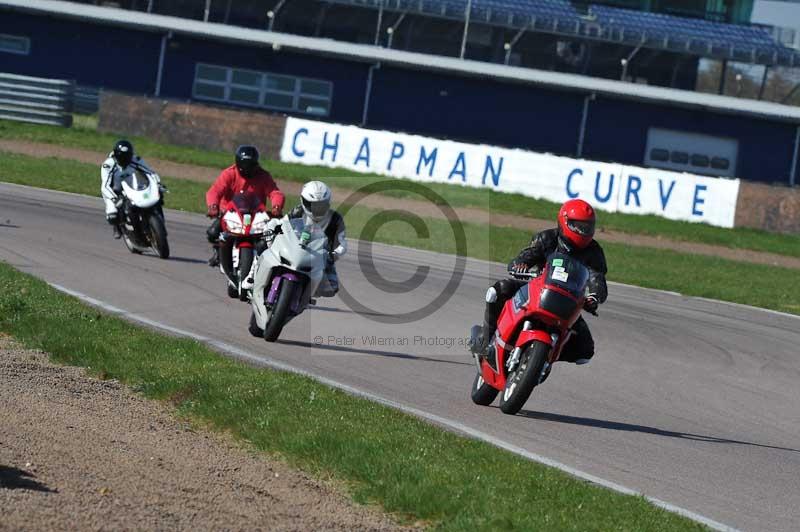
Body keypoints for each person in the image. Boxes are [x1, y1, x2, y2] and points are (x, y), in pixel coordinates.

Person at [471, 198, 608, 365]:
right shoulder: (547, 238)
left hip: (568, 301)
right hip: (537, 289)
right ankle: (486, 339)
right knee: (498, 291)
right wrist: (520, 266)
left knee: (585, 351)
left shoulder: (594, 252)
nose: (583, 231)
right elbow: (523, 258)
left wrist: (594, 296)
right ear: (564, 222)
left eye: (587, 227)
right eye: (578, 226)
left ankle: (545, 357)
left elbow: (597, 278)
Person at [206, 145, 285, 266]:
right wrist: (213, 207)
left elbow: (275, 193)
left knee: (269, 239)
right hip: (230, 214)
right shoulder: (229, 174)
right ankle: (218, 252)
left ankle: (263, 261)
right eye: (244, 165)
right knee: (213, 233)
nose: (247, 169)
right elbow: (215, 191)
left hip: (256, 216)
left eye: (251, 165)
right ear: (238, 164)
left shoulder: (263, 176)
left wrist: (276, 207)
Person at [285, 181, 346, 297]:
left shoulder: (335, 219)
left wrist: (333, 254)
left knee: (331, 288)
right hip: (293, 247)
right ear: (303, 201)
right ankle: (251, 275)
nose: (316, 209)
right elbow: (282, 224)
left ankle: (308, 292)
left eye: (320, 205)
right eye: (311, 205)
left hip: (320, 255)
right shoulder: (297, 211)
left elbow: (342, 242)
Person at [100, 140, 160, 239]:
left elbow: (150, 173)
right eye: (122, 157)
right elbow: (105, 186)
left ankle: (154, 219)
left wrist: (158, 183)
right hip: (113, 190)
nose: (124, 160)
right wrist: (114, 199)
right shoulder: (108, 165)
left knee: (157, 198)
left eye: (127, 157)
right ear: (116, 155)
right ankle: (117, 227)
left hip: (132, 185)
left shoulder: (136, 159)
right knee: (112, 216)